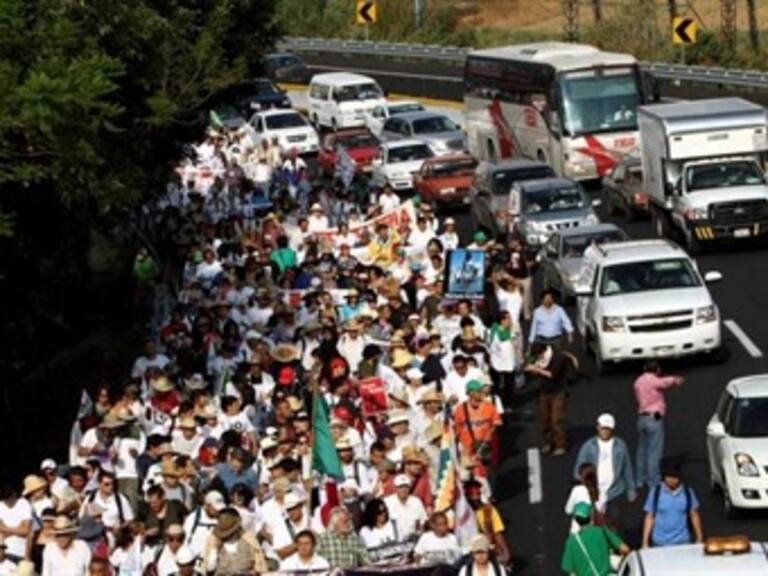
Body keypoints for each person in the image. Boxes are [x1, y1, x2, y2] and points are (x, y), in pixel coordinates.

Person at [573, 414, 637, 532]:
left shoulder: (620, 445)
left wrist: (631, 488)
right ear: (597, 427)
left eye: (608, 429)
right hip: (594, 491)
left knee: (614, 521)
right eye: (603, 428)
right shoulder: (588, 446)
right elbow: (579, 468)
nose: (605, 431)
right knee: (593, 522)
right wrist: (582, 488)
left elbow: (627, 467)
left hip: (614, 491)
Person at [634, 361, 684, 488]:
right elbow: (664, 382)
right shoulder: (654, 381)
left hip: (641, 418)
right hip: (654, 418)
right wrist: (676, 379)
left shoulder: (638, 382)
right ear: (657, 370)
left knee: (642, 450)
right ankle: (653, 481)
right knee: (654, 451)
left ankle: (640, 479)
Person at [641, 460, 703, 548]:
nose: (671, 480)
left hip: (683, 542)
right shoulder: (655, 493)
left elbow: (694, 515)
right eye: (669, 476)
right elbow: (649, 517)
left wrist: (699, 537)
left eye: (675, 477)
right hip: (659, 542)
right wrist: (645, 542)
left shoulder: (687, 492)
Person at [525, 342, 572, 456]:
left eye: (538, 355)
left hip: (558, 391)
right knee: (545, 418)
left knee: (557, 418)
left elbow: (552, 374)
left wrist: (537, 369)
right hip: (544, 391)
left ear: (543, 352)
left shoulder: (557, 357)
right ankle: (548, 442)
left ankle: (560, 444)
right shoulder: (538, 360)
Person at [560, 502, 630, 576]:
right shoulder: (601, 531)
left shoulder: (572, 542)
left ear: (577, 520)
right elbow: (626, 549)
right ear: (591, 517)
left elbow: (570, 571)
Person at [201, 507, 267, 575]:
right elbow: (209, 568)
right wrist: (215, 549)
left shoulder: (249, 540)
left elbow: (259, 567)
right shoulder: (213, 540)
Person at [453, 380, 502, 469]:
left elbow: (497, 422)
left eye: (481, 391)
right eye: (478, 391)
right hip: (467, 450)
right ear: (470, 393)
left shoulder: (489, 406)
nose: (481, 393)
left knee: (486, 474)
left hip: (485, 448)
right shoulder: (460, 409)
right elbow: (456, 429)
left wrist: (489, 436)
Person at [383, 475, 428, 541]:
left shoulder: (416, 502)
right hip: (393, 541)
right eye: (401, 487)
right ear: (396, 488)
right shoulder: (387, 502)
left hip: (412, 540)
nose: (404, 490)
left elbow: (422, 523)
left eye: (406, 487)